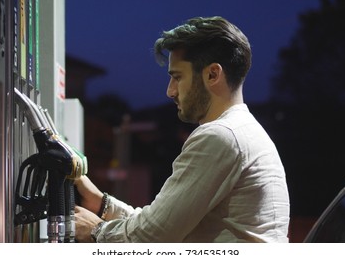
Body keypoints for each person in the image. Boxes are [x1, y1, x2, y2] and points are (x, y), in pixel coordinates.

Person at [74, 16, 290, 243]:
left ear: (212, 74)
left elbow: (151, 236)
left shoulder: (221, 136)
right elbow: (160, 223)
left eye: (178, 77)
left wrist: (96, 232)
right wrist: (102, 204)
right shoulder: (244, 131)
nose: (170, 91)